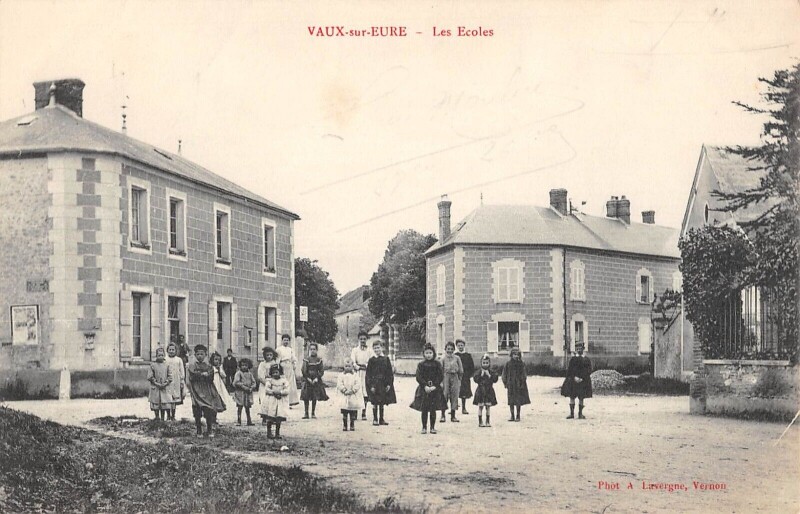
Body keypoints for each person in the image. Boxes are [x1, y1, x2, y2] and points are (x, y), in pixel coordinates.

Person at [186, 345, 226, 438]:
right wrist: (201, 374)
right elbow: (192, 376)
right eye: (198, 354)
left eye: (202, 354)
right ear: (195, 355)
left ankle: (209, 429)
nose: (200, 356)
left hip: (206, 390)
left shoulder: (208, 366)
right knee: (197, 410)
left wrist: (206, 375)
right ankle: (199, 430)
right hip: (196, 391)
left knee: (208, 409)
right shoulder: (192, 366)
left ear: (205, 355)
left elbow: (211, 377)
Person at [410, 343, 446, 434]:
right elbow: (419, 377)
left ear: (433, 353)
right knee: (424, 409)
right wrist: (425, 385)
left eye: (430, 353)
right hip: (424, 389)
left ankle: (432, 427)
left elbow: (440, 376)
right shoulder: (421, 365)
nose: (428, 355)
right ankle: (424, 427)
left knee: (433, 409)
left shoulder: (437, 364)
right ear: (424, 354)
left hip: (435, 389)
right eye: (427, 353)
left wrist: (435, 385)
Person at [365, 341, 396, 426]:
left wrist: (389, 384)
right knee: (375, 402)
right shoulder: (371, 360)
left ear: (382, 348)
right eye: (375, 348)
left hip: (383, 384)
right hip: (374, 385)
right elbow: (368, 374)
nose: (376, 349)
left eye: (378, 347)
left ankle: (381, 419)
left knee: (382, 401)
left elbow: (390, 373)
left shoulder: (386, 359)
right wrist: (371, 385)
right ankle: (375, 419)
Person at [561, 342, 593, 419]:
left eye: (580, 348)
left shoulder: (586, 359)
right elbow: (570, 370)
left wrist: (582, 378)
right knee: (572, 396)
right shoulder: (573, 359)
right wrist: (574, 377)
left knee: (581, 397)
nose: (578, 350)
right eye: (577, 348)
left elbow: (589, 370)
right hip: (573, 381)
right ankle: (571, 413)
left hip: (583, 381)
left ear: (583, 349)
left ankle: (580, 414)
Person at [300, 342, 329, 419]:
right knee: (306, 396)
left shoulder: (319, 360)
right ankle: (306, 413)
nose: (312, 351)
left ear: (317, 350)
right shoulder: (306, 359)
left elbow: (321, 370)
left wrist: (317, 378)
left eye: (314, 349)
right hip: (307, 379)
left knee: (314, 396)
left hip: (316, 380)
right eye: (311, 349)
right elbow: (303, 370)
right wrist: (308, 378)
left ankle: (313, 413)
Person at [501, 347, 531, 422]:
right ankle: (512, 415)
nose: (516, 356)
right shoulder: (508, 364)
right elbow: (504, 374)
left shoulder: (521, 364)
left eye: (517, 354)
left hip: (519, 385)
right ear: (511, 355)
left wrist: (522, 381)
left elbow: (524, 374)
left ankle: (518, 415)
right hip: (511, 384)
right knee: (511, 400)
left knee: (518, 401)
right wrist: (505, 382)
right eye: (514, 354)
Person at [350, 332, 374, 420]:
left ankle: (364, 413)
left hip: (366, 373)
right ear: (358, 339)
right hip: (357, 373)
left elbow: (371, 361)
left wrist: (366, 366)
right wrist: (357, 366)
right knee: (356, 391)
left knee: (365, 392)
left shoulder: (370, 350)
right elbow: (352, 361)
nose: (362, 340)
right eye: (361, 339)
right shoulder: (355, 350)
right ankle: (355, 413)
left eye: (364, 339)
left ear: (366, 339)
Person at [262, 363, 289, 439]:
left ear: (280, 372)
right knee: (270, 417)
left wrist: (280, 393)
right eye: (273, 372)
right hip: (271, 401)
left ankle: (277, 433)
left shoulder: (284, 381)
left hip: (280, 401)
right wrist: (273, 392)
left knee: (278, 417)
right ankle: (269, 432)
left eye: (276, 372)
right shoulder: (270, 381)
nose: (275, 374)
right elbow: (267, 390)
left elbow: (287, 390)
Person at [439, 341, 464, 423]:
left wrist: (459, 380)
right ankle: (443, 415)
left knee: (454, 396)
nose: (449, 350)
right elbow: (439, 370)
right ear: (445, 349)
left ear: (454, 349)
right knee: (444, 395)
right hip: (445, 377)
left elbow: (461, 370)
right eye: (448, 349)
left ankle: (453, 416)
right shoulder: (442, 359)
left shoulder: (457, 358)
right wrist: (441, 382)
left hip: (455, 377)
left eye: (451, 349)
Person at [147, 347, 173, 421]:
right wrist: (156, 383)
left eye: (162, 355)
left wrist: (165, 383)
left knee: (164, 403)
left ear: (164, 355)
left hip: (165, 387)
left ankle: (164, 417)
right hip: (156, 387)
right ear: (156, 356)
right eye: (159, 355)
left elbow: (170, 376)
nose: (160, 357)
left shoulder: (167, 365)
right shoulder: (153, 365)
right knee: (156, 403)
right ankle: (157, 417)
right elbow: (150, 376)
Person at [258, 346, 281, 425]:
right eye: (267, 355)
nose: (269, 357)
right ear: (264, 355)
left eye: (270, 355)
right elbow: (260, 376)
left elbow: (278, 374)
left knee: (273, 402)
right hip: (264, 385)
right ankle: (264, 419)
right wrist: (266, 383)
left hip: (273, 384)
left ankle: (272, 418)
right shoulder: (262, 364)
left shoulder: (275, 364)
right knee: (265, 401)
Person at [473, 354, 498, 427]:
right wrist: (481, 375)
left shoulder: (491, 372)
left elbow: (495, 379)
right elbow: (475, 379)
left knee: (488, 406)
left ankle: (487, 421)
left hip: (489, 391)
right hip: (480, 391)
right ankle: (480, 421)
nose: (485, 364)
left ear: (489, 363)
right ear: (481, 363)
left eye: (487, 363)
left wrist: (489, 375)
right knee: (480, 406)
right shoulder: (479, 372)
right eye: (484, 363)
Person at [337, 359, 361, 431]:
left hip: (352, 395)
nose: (347, 367)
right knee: (344, 412)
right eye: (346, 366)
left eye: (349, 366)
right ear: (343, 366)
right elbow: (339, 384)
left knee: (352, 412)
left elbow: (358, 384)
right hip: (344, 395)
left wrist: (352, 390)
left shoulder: (355, 375)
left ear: (352, 367)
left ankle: (352, 425)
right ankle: (345, 425)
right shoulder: (341, 375)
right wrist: (344, 390)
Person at [276, 334, 300, 407]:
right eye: (284, 340)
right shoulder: (279, 349)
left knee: (290, 384)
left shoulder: (290, 349)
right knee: (283, 383)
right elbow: (277, 359)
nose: (286, 341)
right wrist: (278, 367)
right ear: (282, 340)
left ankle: (290, 401)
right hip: (282, 367)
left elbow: (294, 359)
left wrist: (294, 365)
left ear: (289, 341)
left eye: (287, 340)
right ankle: (283, 401)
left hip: (289, 367)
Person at [164, 342, 185, 420]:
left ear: (176, 351)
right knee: (167, 399)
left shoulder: (178, 360)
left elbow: (182, 371)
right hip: (168, 381)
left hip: (176, 381)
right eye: (170, 349)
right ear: (167, 350)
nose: (171, 351)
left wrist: (182, 381)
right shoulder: (165, 359)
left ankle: (173, 415)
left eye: (173, 350)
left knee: (174, 399)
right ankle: (168, 415)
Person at [233, 358, 257, 426]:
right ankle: (239, 420)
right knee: (240, 407)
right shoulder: (238, 373)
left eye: (246, 365)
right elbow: (236, 382)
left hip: (247, 394)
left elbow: (254, 382)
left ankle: (249, 420)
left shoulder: (250, 374)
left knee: (247, 408)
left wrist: (251, 388)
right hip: (240, 393)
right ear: (240, 366)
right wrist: (244, 387)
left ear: (248, 366)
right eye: (242, 365)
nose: (244, 367)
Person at [456, 339, 475, 415]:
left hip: (465, 377)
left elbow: (471, 366)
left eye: (462, 345)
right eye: (459, 345)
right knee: (455, 392)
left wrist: (469, 375)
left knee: (464, 392)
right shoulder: (455, 355)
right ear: (457, 346)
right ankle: (454, 407)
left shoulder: (468, 355)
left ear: (464, 346)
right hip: (456, 376)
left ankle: (464, 408)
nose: (460, 347)